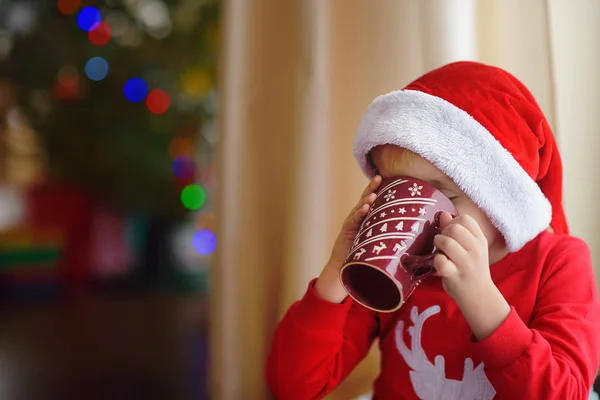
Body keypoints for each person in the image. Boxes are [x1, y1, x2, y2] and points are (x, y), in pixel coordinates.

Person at [265, 61, 600, 400]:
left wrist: (481, 299)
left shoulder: (559, 261)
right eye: (396, 192)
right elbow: (293, 386)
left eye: (445, 195)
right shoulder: (398, 266)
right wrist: (337, 272)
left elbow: (565, 393)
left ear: (500, 199)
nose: (415, 219)